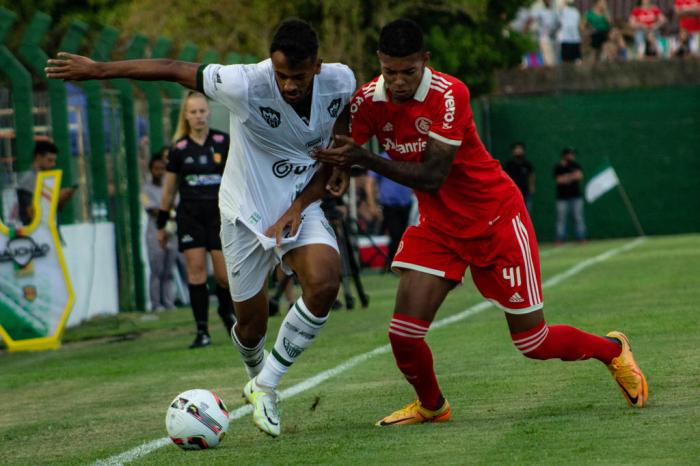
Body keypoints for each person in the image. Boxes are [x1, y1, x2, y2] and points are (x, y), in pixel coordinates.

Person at [313, 19, 647, 426]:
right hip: (438, 227)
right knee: (403, 333)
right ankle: (433, 406)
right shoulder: (367, 99)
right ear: (380, 62)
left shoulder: (450, 94)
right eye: (390, 71)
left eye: (408, 71)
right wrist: (337, 168)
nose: (398, 81)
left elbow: (433, 174)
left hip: (496, 220)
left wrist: (362, 159)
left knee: (533, 342)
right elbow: (346, 139)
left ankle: (612, 350)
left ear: (425, 61)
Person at [46, 18, 355, 437]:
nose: (288, 85)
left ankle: (265, 386)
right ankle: (255, 369)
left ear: (317, 66)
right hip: (244, 212)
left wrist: (334, 173)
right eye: (281, 75)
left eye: (298, 77)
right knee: (252, 324)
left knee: (324, 281)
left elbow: (342, 135)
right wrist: (99, 69)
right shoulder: (244, 82)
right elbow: (173, 67)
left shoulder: (341, 81)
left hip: (300, 202)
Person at [159, 91, 236, 347]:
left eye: (202, 111)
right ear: (186, 115)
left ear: (209, 112)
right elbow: (169, 190)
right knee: (196, 272)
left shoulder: (223, 141)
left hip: (219, 216)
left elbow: (237, 179)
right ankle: (202, 331)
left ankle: (226, 311)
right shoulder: (178, 149)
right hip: (190, 217)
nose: (198, 116)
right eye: (193, 112)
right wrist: (161, 224)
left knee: (224, 276)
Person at [366, 152, 414, 271]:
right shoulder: (381, 158)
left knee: (404, 236)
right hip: (389, 205)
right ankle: (394, 264)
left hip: (406, 204)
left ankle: (397, 264)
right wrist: (372, 205)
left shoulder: (407, 156)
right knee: (396, 234)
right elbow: (369, 182)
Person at [142, 152, 177, 311]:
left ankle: (168, 302)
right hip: (155, 233)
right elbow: (152, 210)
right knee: (157, 269)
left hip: (171, 232)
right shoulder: (145, 189)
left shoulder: (169, 186)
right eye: (156, 168)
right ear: (151, 170)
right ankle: (156, 304)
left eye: (162, 168)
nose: (159, 172)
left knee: (169, 270)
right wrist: (167, 211)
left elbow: (176, 205)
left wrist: (167, 210)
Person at [16, 141, 77, 225]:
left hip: (50, 231)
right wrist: (55, 197)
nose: (53, 164)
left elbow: (55, 209)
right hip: (34, 234)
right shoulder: (27, 181)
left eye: (54, 161)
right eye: (50, 160)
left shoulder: (48, 179)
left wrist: (64, 198)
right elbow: (30, 214)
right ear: (38, 157)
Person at [554, 147, 586, 244]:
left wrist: (566, 177)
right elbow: (559, 180)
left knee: (578, 218)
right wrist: (572, 176)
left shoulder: (576, 165)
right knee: (561, 219)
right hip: (562, 198)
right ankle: (560, 238)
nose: (572, 156)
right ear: (565, 155)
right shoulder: (558, 167)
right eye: (570, 154)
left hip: (576, 196)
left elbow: (579, 176)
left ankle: (581, 237)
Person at [503, 142, 535, 212]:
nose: (518, 151)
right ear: (513, 151)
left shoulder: (527, 165)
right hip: (512, 194)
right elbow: (504, 178)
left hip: (525, 193)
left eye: (520, 149)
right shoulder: (509, 165)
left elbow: (531, 176)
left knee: (526, 213)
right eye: (516, 149)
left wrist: (531, 188)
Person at [530, 0, 559, 66]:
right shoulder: (540, 11)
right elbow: (531, 19)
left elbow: (559, 24)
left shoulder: (555, 12)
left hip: (554, 39)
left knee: (555, 61)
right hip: (544, 39)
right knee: (548, 62)